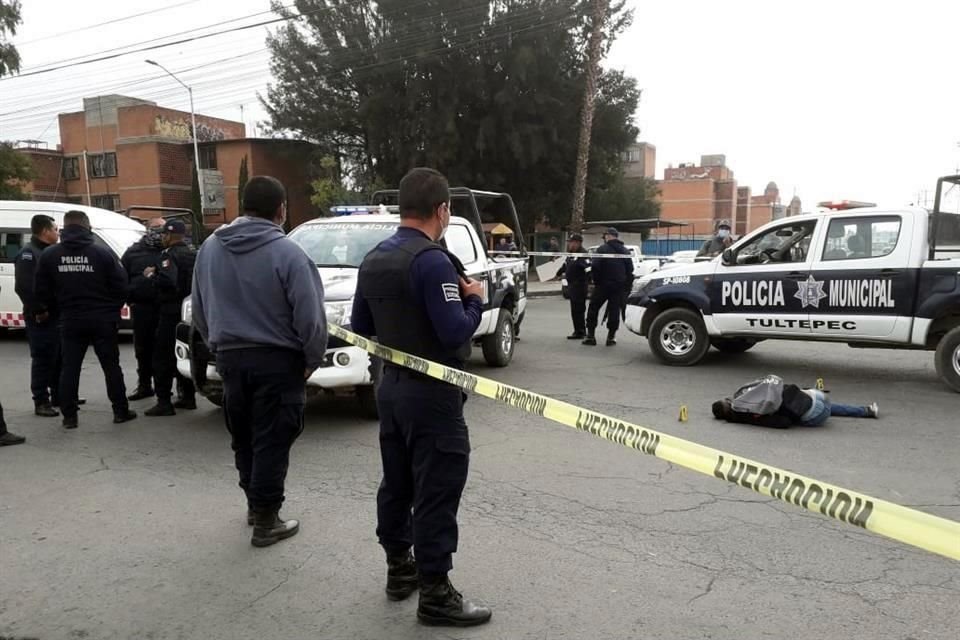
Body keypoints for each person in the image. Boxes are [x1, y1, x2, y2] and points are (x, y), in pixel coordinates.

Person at [351, 167, 492, 627]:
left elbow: (363, 326)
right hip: (433, 395)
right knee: (436, 490)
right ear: (442, 210)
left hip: (390, 388)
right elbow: (454, 334)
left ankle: (399, 569)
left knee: (397, 482)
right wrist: (476, 300)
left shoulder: (374, 257)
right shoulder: (433, 261)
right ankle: (436, 594)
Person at [192, 176, 326, 548]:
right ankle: (267, 518)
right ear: (281, 210)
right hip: (278, 361)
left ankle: (254, 503)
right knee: (272, 438)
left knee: (244, 435)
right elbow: (311, 318)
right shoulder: (290, 254)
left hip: (231, 359)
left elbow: (199, 308)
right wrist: (310, 360)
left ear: (243, 206)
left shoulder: (209, 249)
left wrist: (217, 347)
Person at [34, 210, 136, 429]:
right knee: (111, 367)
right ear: (87, 228)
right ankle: (120, 410)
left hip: (70, 319)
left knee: (70, 368)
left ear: (64, 229)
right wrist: (112, 309)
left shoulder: (50, 255)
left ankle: (69, 417)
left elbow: (41, 290)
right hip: (102, 319)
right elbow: (122, 286)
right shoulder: (102, 254)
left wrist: (53, 308)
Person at [144, 219, 197, 416]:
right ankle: (188, 397)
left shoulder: (167, 256)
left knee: (162, 357)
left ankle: (163, 401)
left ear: (168, 235)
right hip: (190, 312)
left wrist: (152, 275)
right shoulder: (193, 253)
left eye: (164, 235)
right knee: (184, 354)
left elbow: (168, 280)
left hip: (170, 311)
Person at [14, 215, 62, 417]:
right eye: (56, 229)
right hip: (41, 316)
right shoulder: (29, 253)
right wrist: (39, 310)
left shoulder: (50, 252)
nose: (58, 233)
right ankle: (41, 401)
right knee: (43, 358)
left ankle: (60, 394)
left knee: (59, 356)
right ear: (45, 231)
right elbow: (25, 287)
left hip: (57, 313)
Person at [121, 217, 166, 401]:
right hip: (141, 308)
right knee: (143, 349)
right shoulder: (133, 252)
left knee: (166, 350)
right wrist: (129, 298)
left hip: (165, 308)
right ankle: (145, 385)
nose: (159, 232)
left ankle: (175, 390)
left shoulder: (168, 250)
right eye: (155, 228)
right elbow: (121, 277)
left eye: (162, 229)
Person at [712, 384, 879, 428]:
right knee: (826, 404)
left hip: (816, 414)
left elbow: (783, 423)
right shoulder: (745, 394)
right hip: (816, 395)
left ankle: (867, 412)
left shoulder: (747, 416)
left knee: (809, 412)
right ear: (728, 401)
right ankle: (867, 410)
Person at [584, 227, 633, 347]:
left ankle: (591, 336)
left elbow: (595, 266)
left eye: (605, 236)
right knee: (614, 311)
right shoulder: (625, 251)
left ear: (608, 236)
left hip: (603, 285)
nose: (604, 238)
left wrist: (597, 281)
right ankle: (611, 337)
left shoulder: (602, 249)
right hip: (618, 286)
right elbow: (630, 270)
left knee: (593, 308)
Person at [557, 233, 590, 339]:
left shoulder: (583, 254)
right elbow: (566, 265)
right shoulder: (571, 254)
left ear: (577, 243)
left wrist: (587, 280)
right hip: (571, 286)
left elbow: (588, 269)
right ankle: (577, 330)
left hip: (580, 286)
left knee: (579, 310)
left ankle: (581, 331)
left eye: (571, 242)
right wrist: (558, 273)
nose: (569, 244)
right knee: (574, 310)